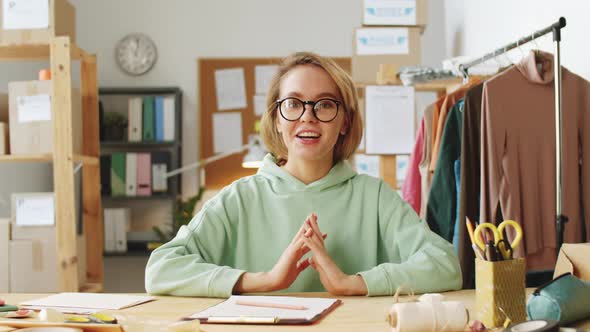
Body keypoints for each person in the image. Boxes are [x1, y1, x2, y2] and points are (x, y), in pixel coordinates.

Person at [145, 52, 462, 297]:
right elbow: (160, 269)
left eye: (324, 105)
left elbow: (446, 266)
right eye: (294, 104)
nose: (308, 117)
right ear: (276, 119)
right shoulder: (238, 198)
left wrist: (353, 283)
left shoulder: (375, 197)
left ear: (345, 123)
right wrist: (265, 280)